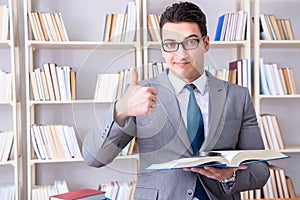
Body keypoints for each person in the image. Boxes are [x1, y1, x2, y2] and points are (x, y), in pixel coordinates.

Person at [82, 2, 270, 199]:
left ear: (206, 43)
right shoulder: (141, 95)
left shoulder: (238, 96)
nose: (180, 54)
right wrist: (121, 109)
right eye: (171, 44)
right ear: (163, 49)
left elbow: (260, 170)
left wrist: (231, 175)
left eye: (190, 42)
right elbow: (94, 158)